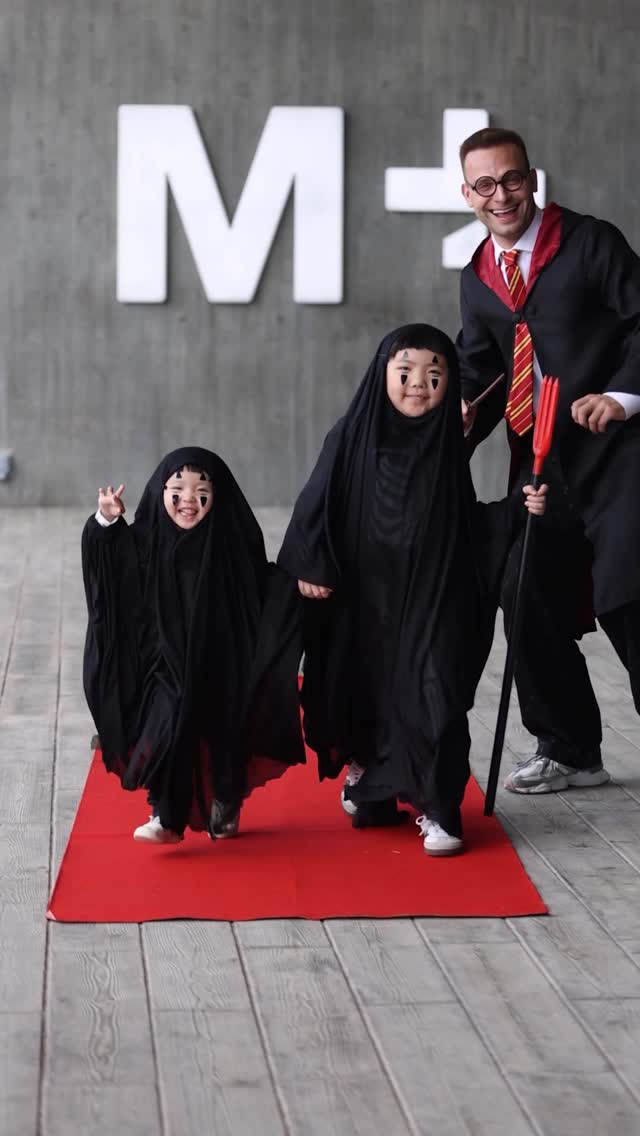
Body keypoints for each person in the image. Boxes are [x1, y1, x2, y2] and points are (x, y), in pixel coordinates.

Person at [278, 324, 546, 856]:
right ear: (384, 376)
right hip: (362, 598)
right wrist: (312, 563)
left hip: (434, 596)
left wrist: (518, 510)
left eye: (434, 375)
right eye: (405, 373)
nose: (418, 384)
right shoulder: (351, 434)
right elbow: (316, 502)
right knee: (365, 692)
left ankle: (440, 808)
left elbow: (465, 523)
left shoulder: (447, 442)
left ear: (450, 386)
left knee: (435, 693)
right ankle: (372, 787)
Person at [456, 126, 640, 794]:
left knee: (628, 591)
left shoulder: (592, 243)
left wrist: (622, 396)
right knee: (523, 590)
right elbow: (482, 365)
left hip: (619, 456)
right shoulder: (478, 276)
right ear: (467, 194)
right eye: (485, 185)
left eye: (511, 179)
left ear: (533, 178)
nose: (500, 195)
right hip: (538, 465)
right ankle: (570, 747)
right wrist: (465, 412)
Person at [82, 447, 305, 843]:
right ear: (160, 491)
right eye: (178, 488)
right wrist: (106, 521)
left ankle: (225, 799)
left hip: (220, 666)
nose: (189, 499)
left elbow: (264, 587)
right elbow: (110, 569)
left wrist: (303, 579)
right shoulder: (146, 541)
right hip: (162, 666)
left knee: (222, 741)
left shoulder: (227, 548)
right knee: (169, 724)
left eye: (202, 490)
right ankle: (167, 815)